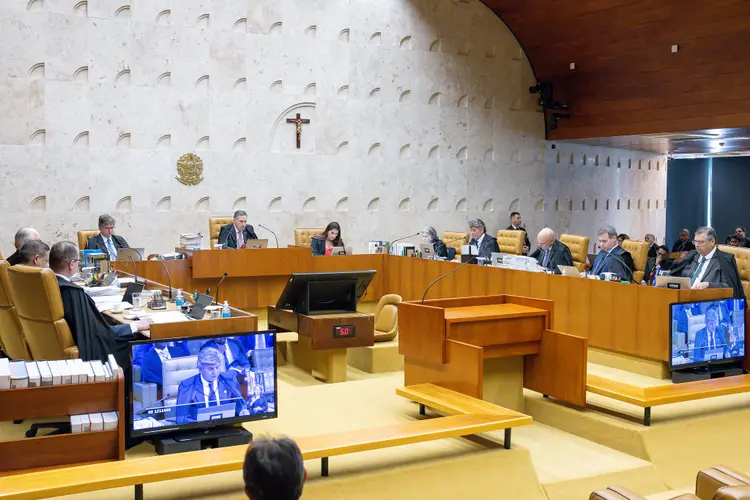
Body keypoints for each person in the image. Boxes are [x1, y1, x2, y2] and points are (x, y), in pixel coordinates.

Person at [50, 241, 150, 367]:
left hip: (55, 350)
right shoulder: (71, 292)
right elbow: (100, 334)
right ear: (71, 264)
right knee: (140, 338)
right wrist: (134, 325)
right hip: (92, 356)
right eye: (78, 261)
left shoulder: (50, 285)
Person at [175, 347, 248, 424]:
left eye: (217, 367)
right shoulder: (187, 386)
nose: (215, 372)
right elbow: (181, 419)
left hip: (226, 428)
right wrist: (200, 424)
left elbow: (240, 404)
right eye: (210, 369)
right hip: (199, 431)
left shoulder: (229, 380)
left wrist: (243, 412)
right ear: (200, 369)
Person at [670, 226, 745, 298]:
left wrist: (708, 285)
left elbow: (728, 287)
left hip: (709, 302)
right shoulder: (692, 256)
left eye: (701, 242)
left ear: (712, 241)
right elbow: (678, 273)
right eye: (695, 242)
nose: (697, 245)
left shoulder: (724, 260)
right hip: (684, 297)